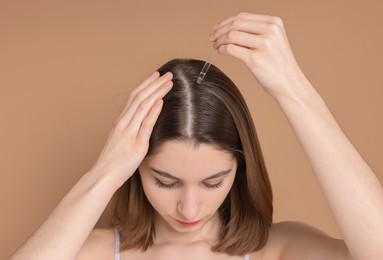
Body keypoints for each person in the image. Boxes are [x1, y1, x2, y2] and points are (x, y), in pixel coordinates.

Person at [10, 12, 383, 260]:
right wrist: (105, 171)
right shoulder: (95, 251)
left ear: (240, 168)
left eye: (213, 182)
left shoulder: (278, 249)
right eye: (165, 181)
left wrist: (293, 89)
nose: (189, 210)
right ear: (136, 169)